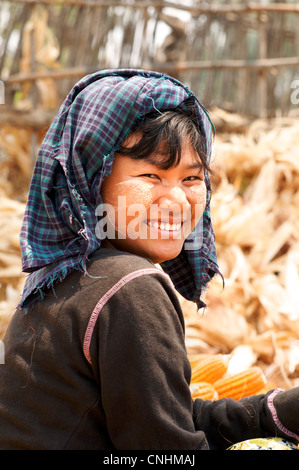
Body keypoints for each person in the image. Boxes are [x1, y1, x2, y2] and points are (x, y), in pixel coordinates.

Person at [0, 69, 298, 450]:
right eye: (151, 175)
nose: (176, 201)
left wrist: (274, 413)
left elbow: (161, 417)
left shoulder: (71, 273)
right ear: (92, 179)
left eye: (192, 179)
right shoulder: (130, 286)